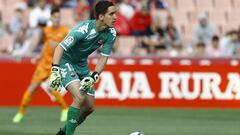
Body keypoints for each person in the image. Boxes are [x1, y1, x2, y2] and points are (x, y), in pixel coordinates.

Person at [51, 1, 117, 135]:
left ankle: (63, 132)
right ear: (101, 16)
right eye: (111, 14)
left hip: (82, 65)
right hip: (66, 61)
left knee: (88, 108)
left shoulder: (111, 34)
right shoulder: (83, 29)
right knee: (79, 98)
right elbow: (60, 47)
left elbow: (103, 57)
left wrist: (94, 77)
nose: (115, 17)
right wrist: (55, 70)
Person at [12, 8, 69, 123]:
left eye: (59, 17)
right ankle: (20, 112)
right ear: (51, 18)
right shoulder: (46, 31)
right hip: (43, 64)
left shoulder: (64, 31)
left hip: (55, 65)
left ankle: (65, 109)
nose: (57, 19)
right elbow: (45, 45)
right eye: (55, 17)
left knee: (51, 87)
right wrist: (40, 55)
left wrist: (58, 46)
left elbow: (67, 48)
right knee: (32, 89)